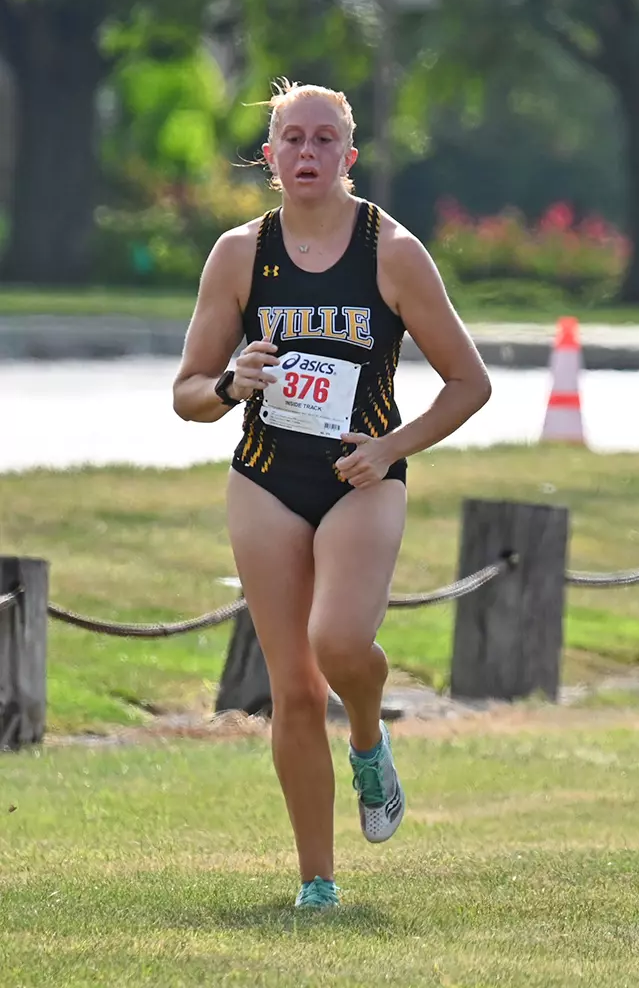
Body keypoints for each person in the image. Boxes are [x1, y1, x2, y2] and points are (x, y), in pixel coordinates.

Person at [171, 78, 492, 911]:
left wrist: (389, 449)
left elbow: (468, 383)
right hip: (266, 476)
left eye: (324, 141)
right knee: (294, 686)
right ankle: (319, 882)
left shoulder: (392, 250)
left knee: (341, 644)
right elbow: (187, 393)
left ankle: (370, 737)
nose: (307, 153)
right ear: (269, 157)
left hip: (363, 476)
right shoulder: (240, 253)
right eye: (292, 140)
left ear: (349, 156)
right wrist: (231, 384)